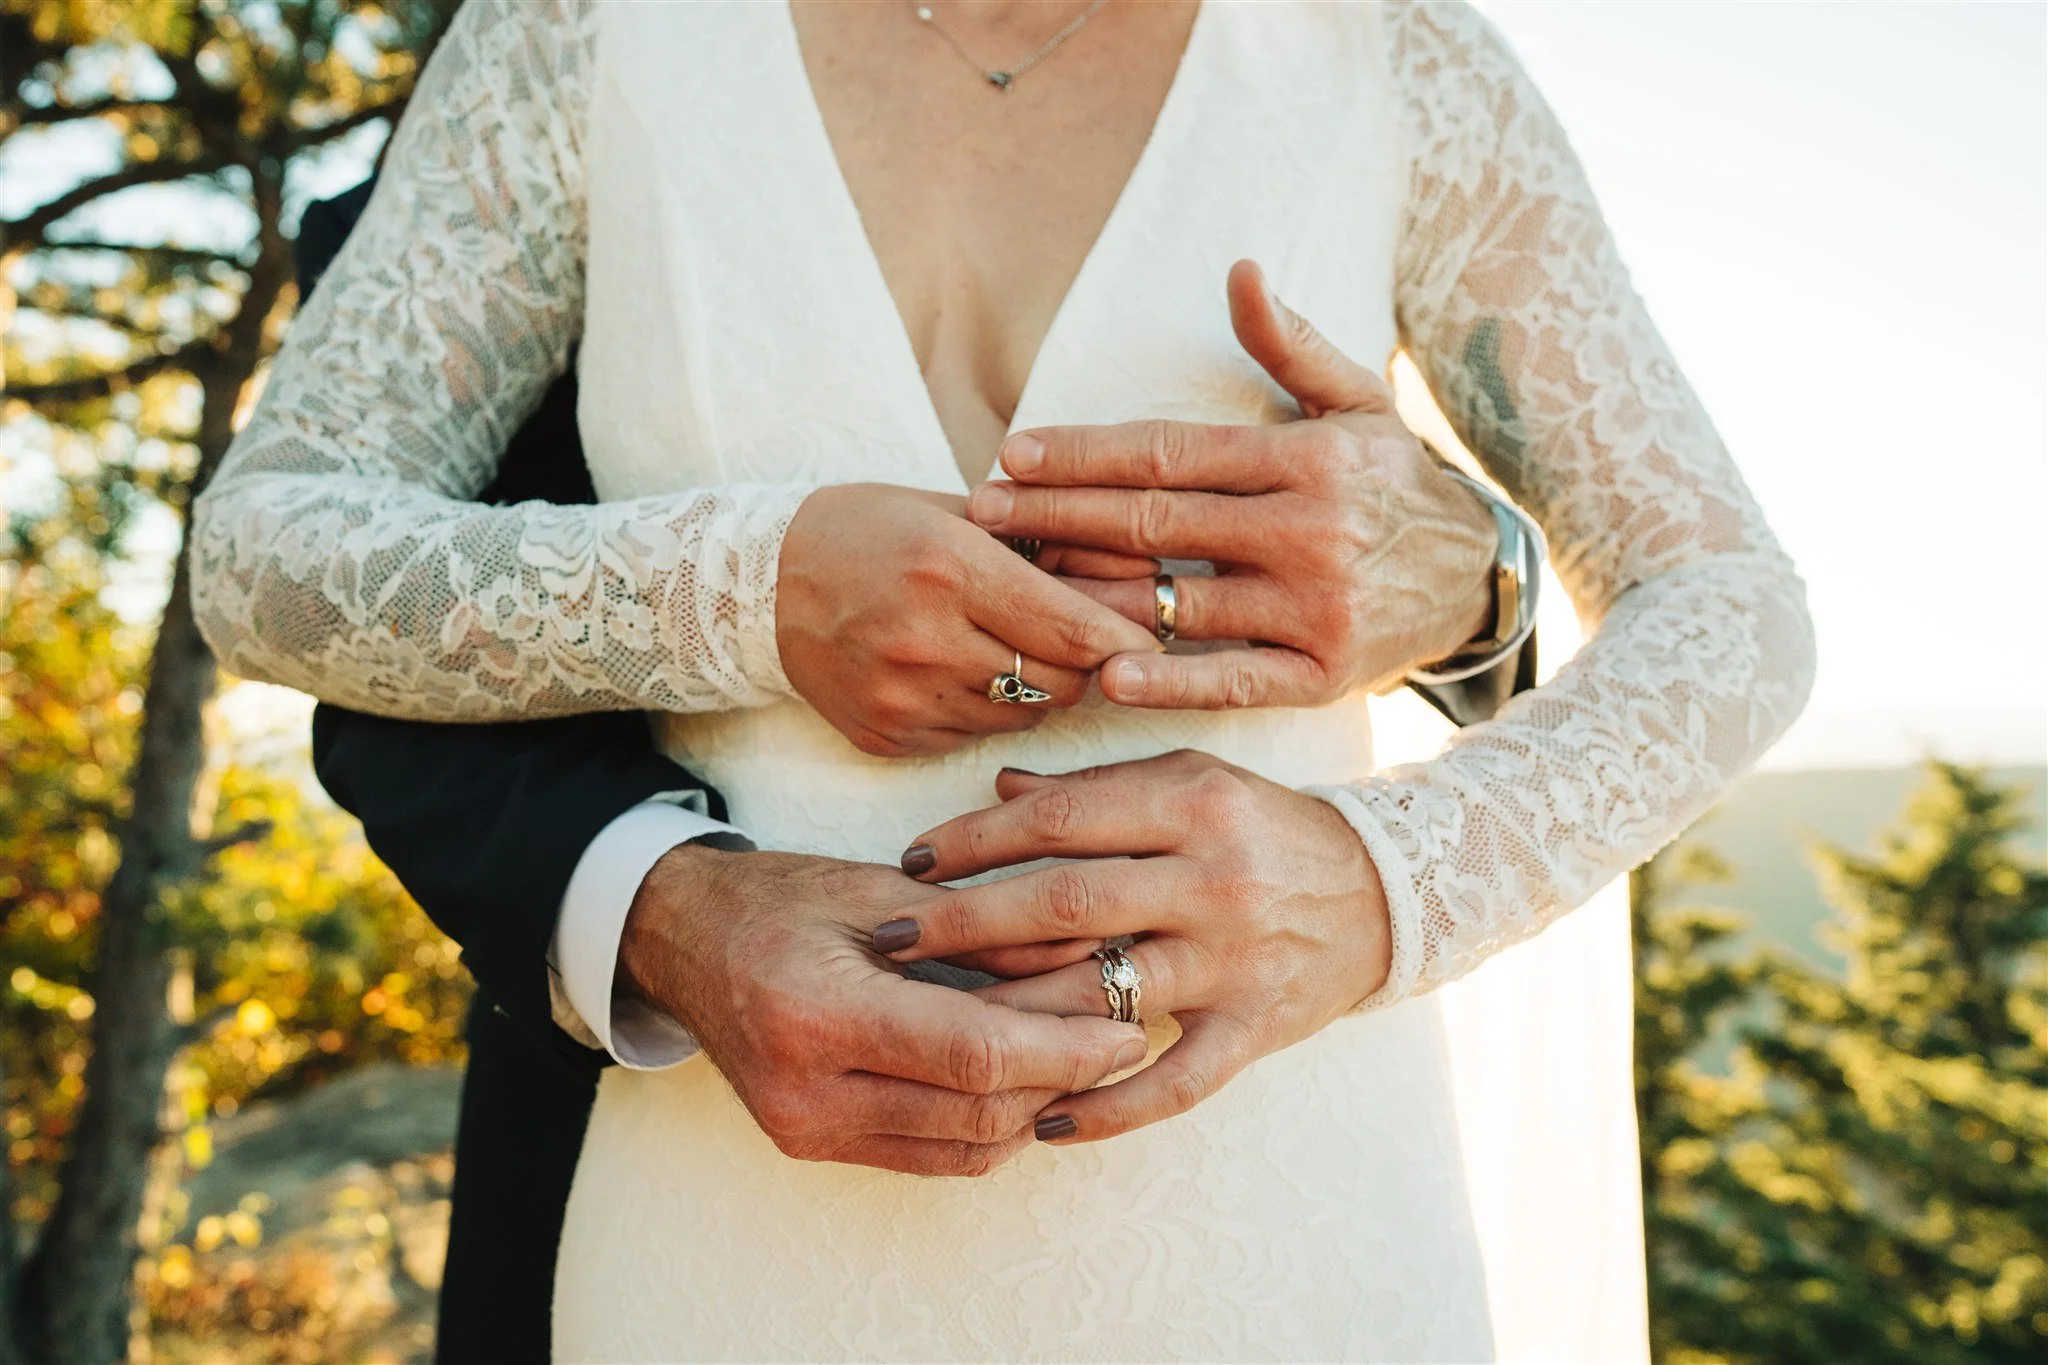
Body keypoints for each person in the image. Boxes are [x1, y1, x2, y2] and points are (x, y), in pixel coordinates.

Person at [190, 1, 1815, 1358]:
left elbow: (1726, 597)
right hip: (729, 1196)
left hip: (1283, 1206)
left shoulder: (1386, 53)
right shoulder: (582, 31)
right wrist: (736, 588)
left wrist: (1387, 879)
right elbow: (262, 550)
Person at [291, 178, 1536, 1362]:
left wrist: (1484, 579)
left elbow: (1667, 600)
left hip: (1284, 1169)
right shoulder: (549, 64)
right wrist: (662, 912)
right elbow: (340, 608)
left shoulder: (1364, 47)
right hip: (685, 1170)